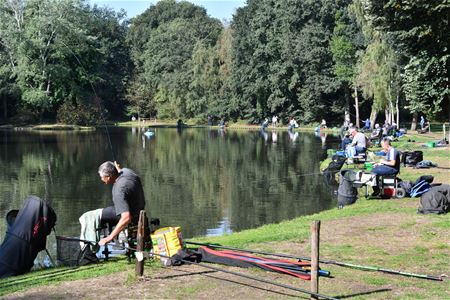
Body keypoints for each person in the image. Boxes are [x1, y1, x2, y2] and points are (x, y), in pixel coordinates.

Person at [97, 161, 145, 246]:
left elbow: (126, 217)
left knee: (90, 216)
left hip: (131, 214)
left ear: (108, 177)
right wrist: (117, 168)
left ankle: (89, 254)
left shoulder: (118, 190)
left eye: (102, 177)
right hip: (138, 209)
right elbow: (120, 171)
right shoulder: (128, 172)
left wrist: (109, 237)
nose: (101, 179)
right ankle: (117, 236)